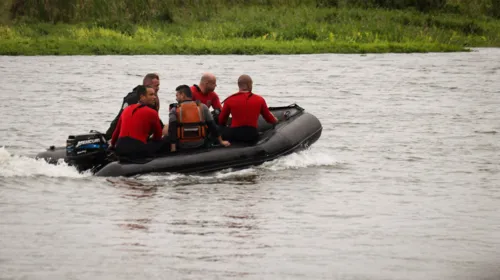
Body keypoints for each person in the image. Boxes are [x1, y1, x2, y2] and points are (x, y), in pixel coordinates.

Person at [168, 85, 230, 152]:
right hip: (200, 143)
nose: (176, 99)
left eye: (177, 96)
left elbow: (172, 130)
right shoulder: (203, 107)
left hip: (182, 145)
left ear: (182, 95)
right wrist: (221, 141)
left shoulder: (174, 110)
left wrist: (173, 149)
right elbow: (213, 126)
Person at [218, 74, 278, 145]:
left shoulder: (229, 100)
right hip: (252, 135)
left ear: (238, 85)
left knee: (218, 129)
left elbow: (221, 121)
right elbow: (269, 118)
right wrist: (276, 120)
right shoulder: (259, 100)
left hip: (234, 135)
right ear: (249, 85)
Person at [110, 86, 164, 159]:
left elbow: (116, 132)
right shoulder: (152, 112)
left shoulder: (126, 109)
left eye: (154, 94)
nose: (154, 97)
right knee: (164, 140)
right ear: (142, 97)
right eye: (151, 95)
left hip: (120, 148)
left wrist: (112, 146)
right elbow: (158, 137)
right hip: (137, 150)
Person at [105, 73, 162, 140]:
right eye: (156, 86)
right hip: (127, 137)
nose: (158, 88)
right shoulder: (135, 98)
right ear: (147, 86)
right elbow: (120, 119)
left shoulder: (149, 98)